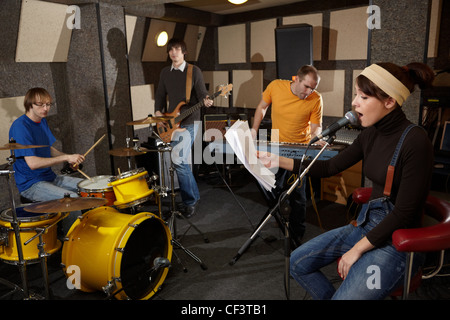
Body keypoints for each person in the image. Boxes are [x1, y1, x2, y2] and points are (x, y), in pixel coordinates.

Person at [258, 62, 435, 299]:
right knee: (297, 263)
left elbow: (403, 212)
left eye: (363, 96)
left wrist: (356, 250)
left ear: (389, 102)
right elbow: (330, 166)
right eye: (355, 95)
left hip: (397, 241)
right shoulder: (370, 133)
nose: (354, 103)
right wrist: (278, 160)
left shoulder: (415, 141)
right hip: (365, 225)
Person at [251, 65, 324, 244]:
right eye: (306, 86)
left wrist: (316, 137)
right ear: (296, 79)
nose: (309, 92)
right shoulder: (276, 87)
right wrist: (254, 130)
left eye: (312, 88)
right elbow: (262, 106)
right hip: (276, 147)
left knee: (298, 196)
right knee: (272, 188)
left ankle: (297, 233)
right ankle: (282, 218)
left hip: (299, 152)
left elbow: (316, 128)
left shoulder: (316, 98)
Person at [9, 87, 85, 234]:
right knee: (72, 199)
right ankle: (71, 243)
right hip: (31, 185)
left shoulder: (41, 121)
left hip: (50, 178)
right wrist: (66, 157)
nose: (46, 108)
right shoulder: (20, 127)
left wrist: (69, 159)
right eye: (41, 105)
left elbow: (49, 149)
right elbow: (33, 163)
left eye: (49, 104)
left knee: (89, 187)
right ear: (29, 104)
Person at [154, 38, 213, 218]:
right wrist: (158, 113)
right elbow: (160, 95)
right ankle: (193, 197)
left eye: (177, 49)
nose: (174, 52)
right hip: (172, 122)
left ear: (184, 51)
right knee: (181, 162)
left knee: (178, 161)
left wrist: (207, 101)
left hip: (189, 122)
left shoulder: (193, 71)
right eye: (171, 49)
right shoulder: (165, 72)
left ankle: (189, 202)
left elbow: (203, 95)